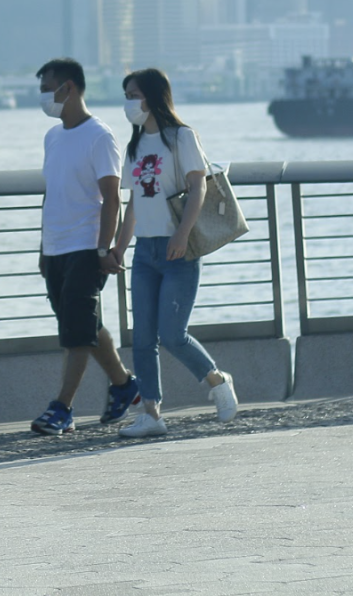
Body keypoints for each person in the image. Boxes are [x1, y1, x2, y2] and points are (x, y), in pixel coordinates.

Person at [111, 67, 239, 436]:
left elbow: (197, 188)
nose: (128, 103)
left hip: (177, 250)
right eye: (126, 96)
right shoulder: (135, 146)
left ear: (153, 96)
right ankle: (151, 414)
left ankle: (216, 380)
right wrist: (119, 248)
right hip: (145, 253)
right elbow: (133, 203)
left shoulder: (181, 137)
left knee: (172, 334)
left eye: (133, 95)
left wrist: (182, 235)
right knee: (143, 338)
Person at [30, 58, 143, 435]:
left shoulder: (100, 136)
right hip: (57, 247)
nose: (45, 96)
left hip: (85, 247)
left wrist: (103, 249)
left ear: (69, 88)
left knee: (77, 332)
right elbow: (52, 195)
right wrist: (44, 247)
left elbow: (112, 198)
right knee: (83, 324)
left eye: (49, 88)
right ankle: (126, 386)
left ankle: (62, 408)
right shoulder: (53, 137)